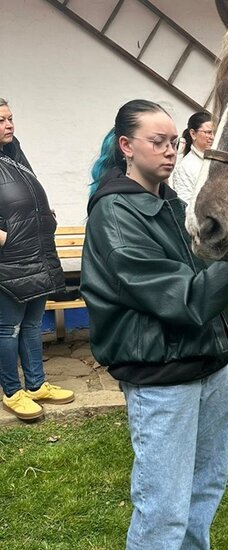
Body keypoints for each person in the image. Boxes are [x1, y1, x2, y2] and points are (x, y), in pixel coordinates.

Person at [80, 99, 228, 549]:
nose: (170, 150)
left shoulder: (174, 204)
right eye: (158, 141)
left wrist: (227, 358)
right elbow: (178, 296)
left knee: (204, 491)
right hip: (161, 378)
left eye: (174, 141)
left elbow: (203, 284)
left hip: (206, 367)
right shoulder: (114, 214)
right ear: (126, 146)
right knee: (164, 508)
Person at [0, 97, 75, 421]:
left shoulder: (13, 154)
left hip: (35, 254)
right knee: (8, 329)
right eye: (1, 120)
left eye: (10, 118)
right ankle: (12, 392)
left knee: (31, 324)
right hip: (10, 260)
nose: (9, 125)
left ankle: (35, 385)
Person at [171, 111, 214, 204]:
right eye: (208, 132)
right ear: (193, 134)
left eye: (214, 132)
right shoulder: (185, 167)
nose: (212, 137)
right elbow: (185, 205)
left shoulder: (219, 160)